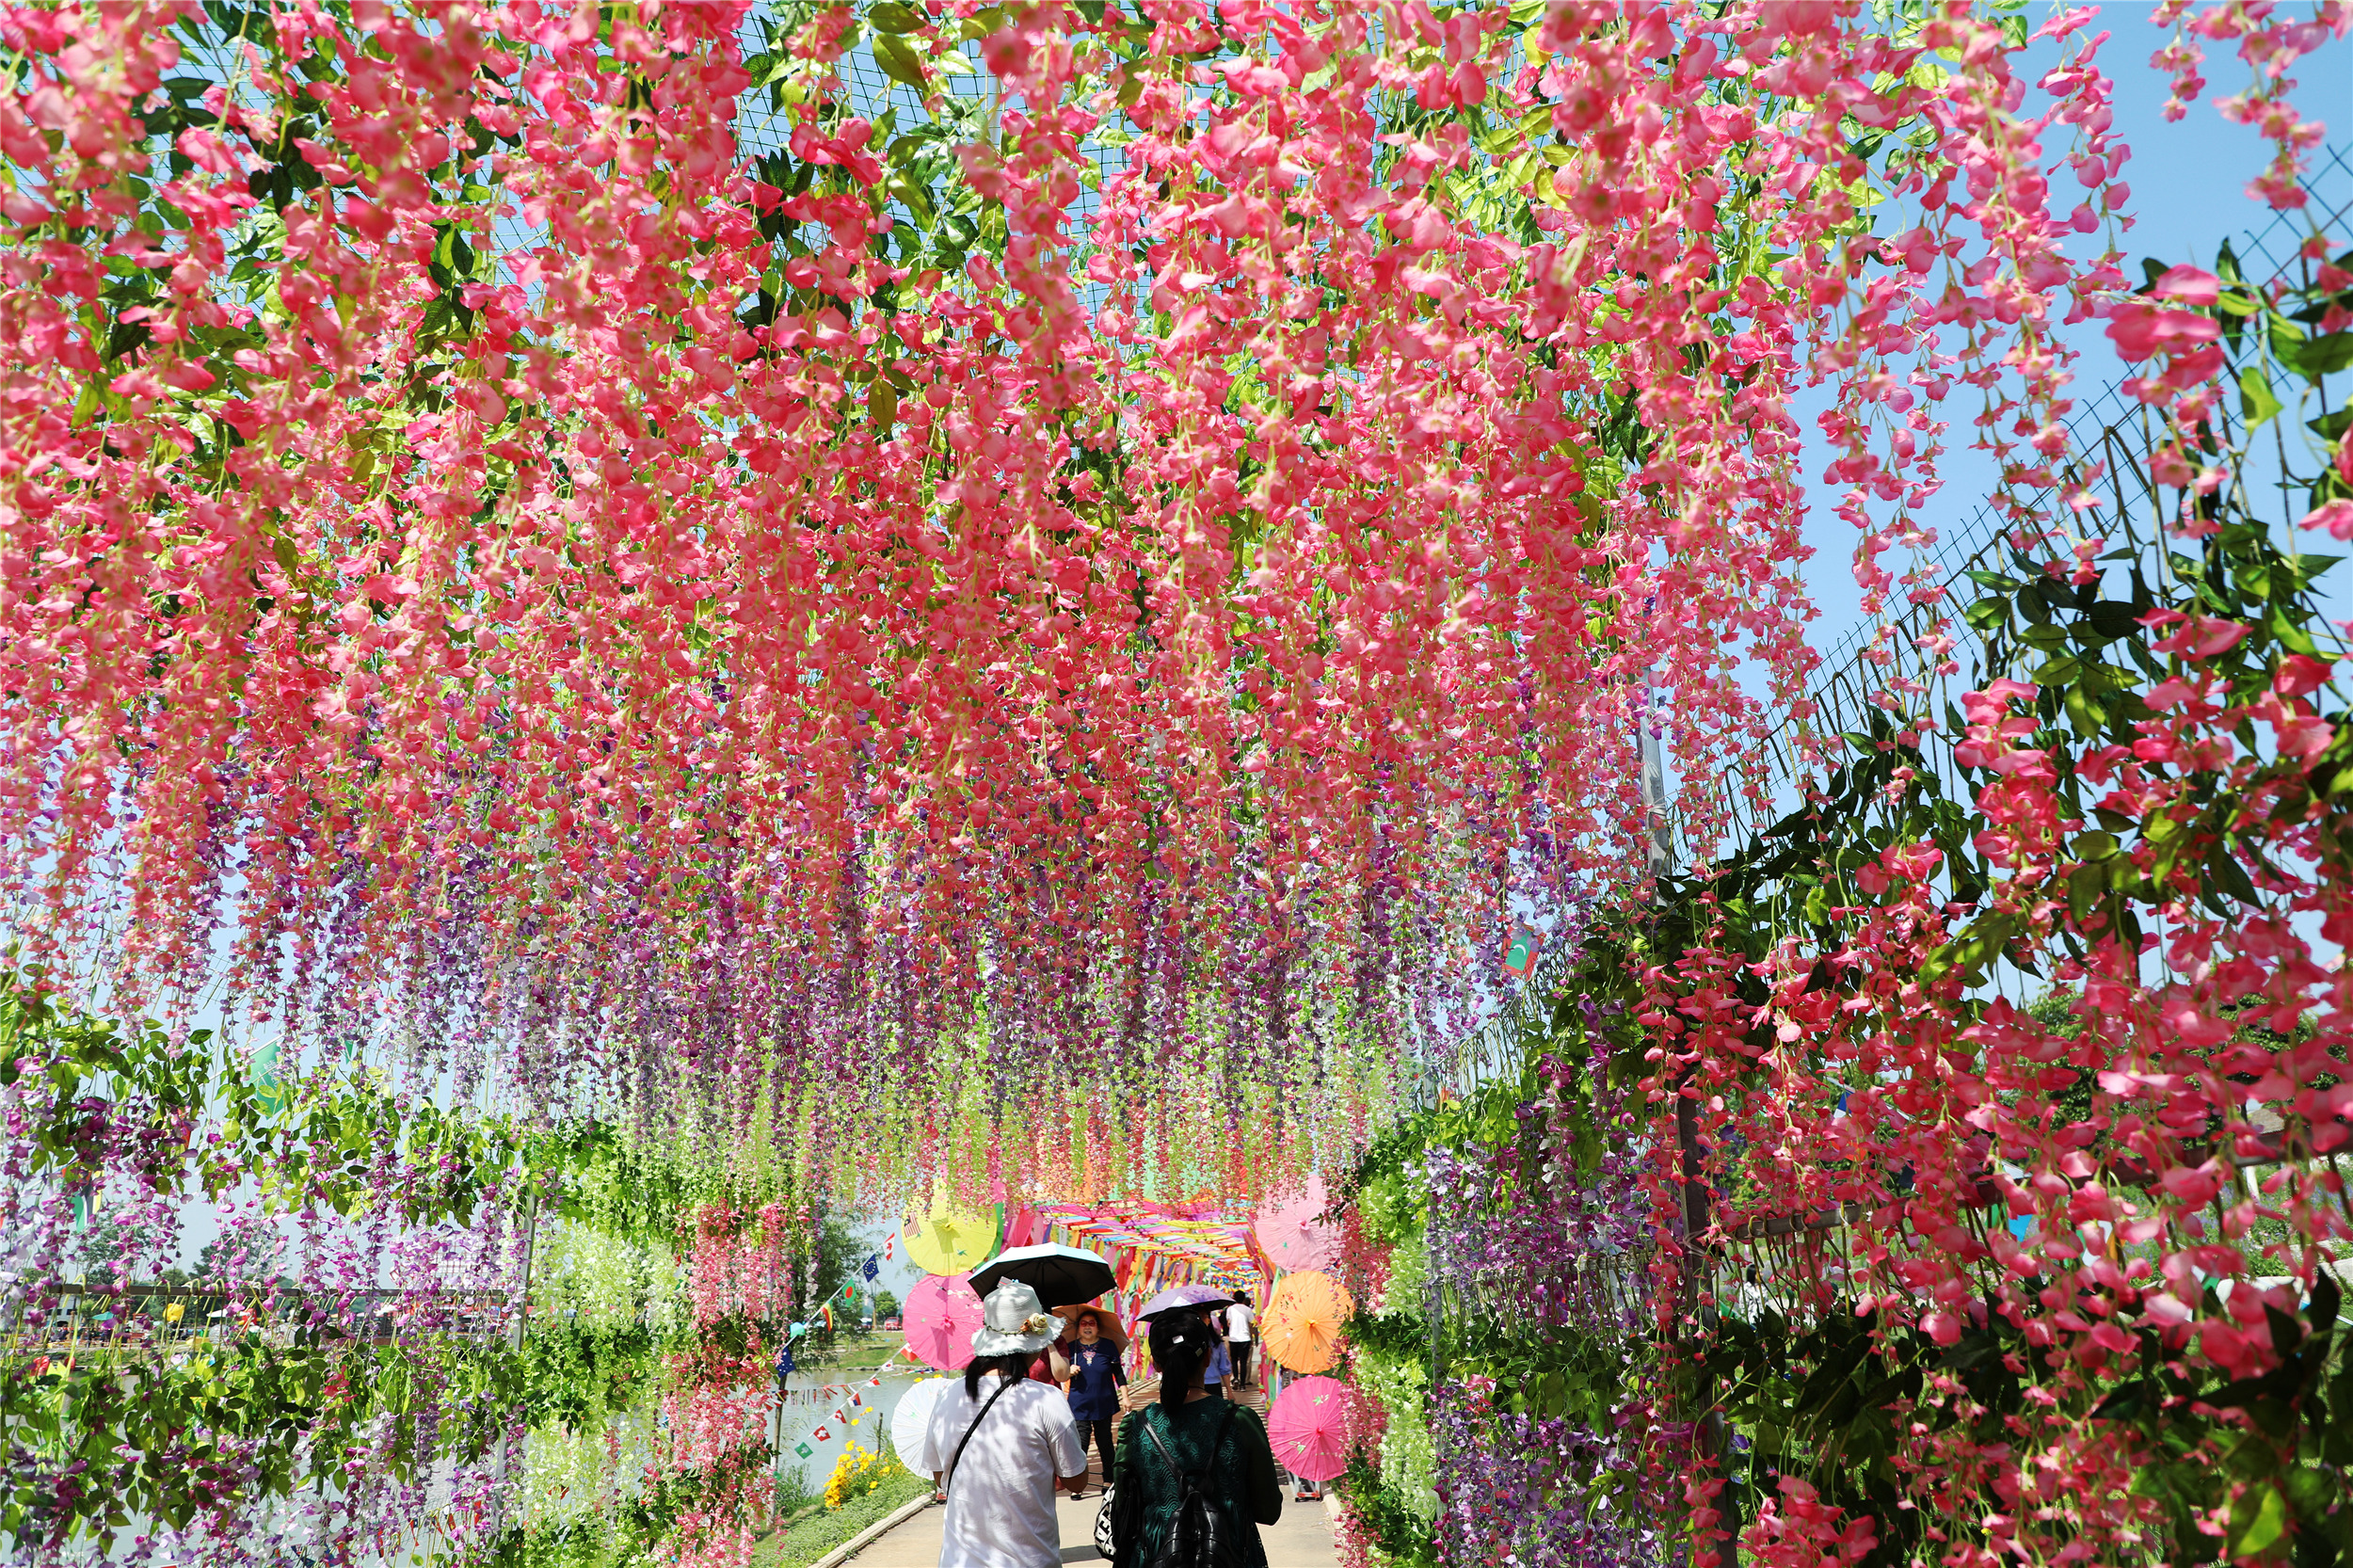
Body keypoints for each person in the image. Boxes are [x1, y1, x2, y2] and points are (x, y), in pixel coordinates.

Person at [917, 1280, 1088, 1568]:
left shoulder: (947, 1396)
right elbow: (1076, 1481)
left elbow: (939, 1477)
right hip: (1030, 1560)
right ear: (1033, 1343)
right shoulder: (1046, 1399)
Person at [1112, 1310, 1282, 1568]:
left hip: (1155, 1555)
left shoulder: (1135, 1427)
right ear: (1208, 1358)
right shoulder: (1240, 1421)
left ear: (1156, 1365)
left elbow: (1122, 1510)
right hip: (1229, 1554)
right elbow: (1268, 1512)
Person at [1063, 1307, 1126, 1498]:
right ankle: (1078, 1484)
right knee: (1080, 1443)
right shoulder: (1070, 1348)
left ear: (1098, 1327)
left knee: (1104, 1441)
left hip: (1103, 1402)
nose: (1088, 1327)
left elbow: (1119, 1374)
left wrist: (1127, 1396)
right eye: (1084, 1323)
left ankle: (1108, 1480)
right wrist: (1068, 1370)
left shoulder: (1108, 1346)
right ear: (1078, 1328)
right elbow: (1059, 1372)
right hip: (1079, 1403)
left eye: (1092, 1323)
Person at [1225, 1290, 1255, 1389]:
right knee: (1243, 1362)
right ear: (1243, 1298)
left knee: (1233, 1360)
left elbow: (1228, 1323)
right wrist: (1251, 1337)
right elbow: (1251, 1325)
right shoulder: (1248, 1310)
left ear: (1234, 1298)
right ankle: (1242, 1385)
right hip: (1245, 1337)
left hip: (1233, 1337)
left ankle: (1236, 1378)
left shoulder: (1230, 1309)